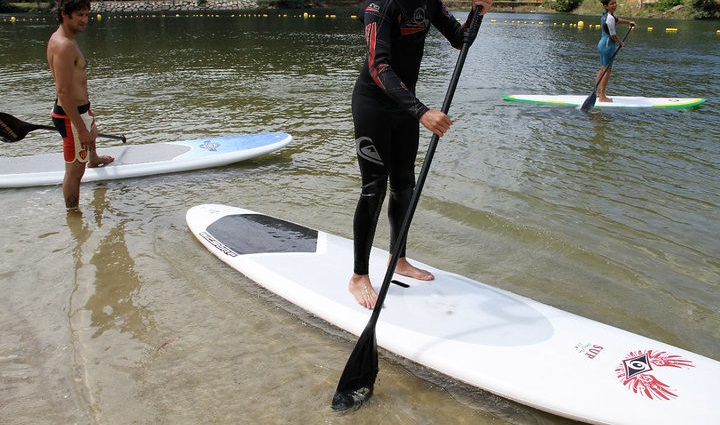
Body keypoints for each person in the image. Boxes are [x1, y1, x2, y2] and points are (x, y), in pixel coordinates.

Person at [348, 0, 493, 309]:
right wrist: (422, 112)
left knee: (404, 185)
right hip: (373, 106)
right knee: (374, 189)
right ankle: (359, 276)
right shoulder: (381, 6)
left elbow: (460, 39)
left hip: (404, 108)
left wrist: (477, 12)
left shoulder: (429, 2)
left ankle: (397, 258)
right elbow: (377, 66)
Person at [47, 0, 113, 213]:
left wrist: (87, 126)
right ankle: (73, 215)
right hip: (70, 116)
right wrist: (81, 129)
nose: (85, 20)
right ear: (65, 15)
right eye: (79, 15)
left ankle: (93, 159)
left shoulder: (67, 39)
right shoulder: (64, 45)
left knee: (92, 131)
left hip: (80, 110)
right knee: (75, 171)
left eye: (86, 15)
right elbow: (63, 92)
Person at [595, 0, 635, 103]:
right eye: (611, 4)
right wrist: (620, 42)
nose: (614, 5)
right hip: (608, 45)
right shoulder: (609, 18)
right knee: (607, 70)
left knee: (603, 68)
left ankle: (597, 92)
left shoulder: (606, 16)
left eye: (615, 3)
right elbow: (613, 35)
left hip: (602, 44)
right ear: (605, 6)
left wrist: (628, 22)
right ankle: (602, 97)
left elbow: (617, 20)